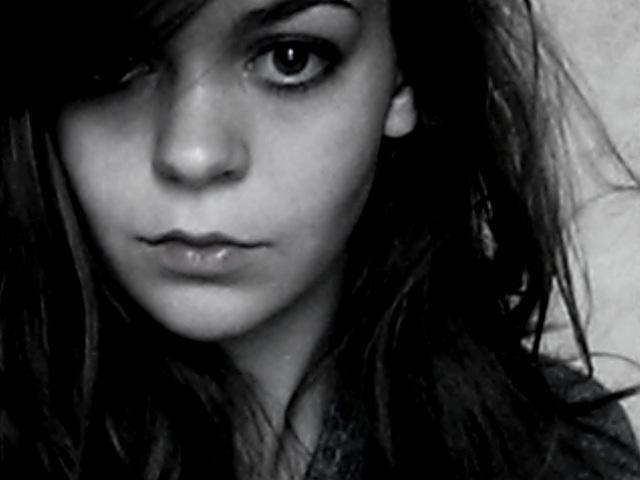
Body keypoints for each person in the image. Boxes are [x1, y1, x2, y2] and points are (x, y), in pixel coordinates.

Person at [0, 0, 637, 478]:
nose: (193, 154)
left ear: (404, 76)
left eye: (291, 58)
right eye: (115, 62)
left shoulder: (555, 457)